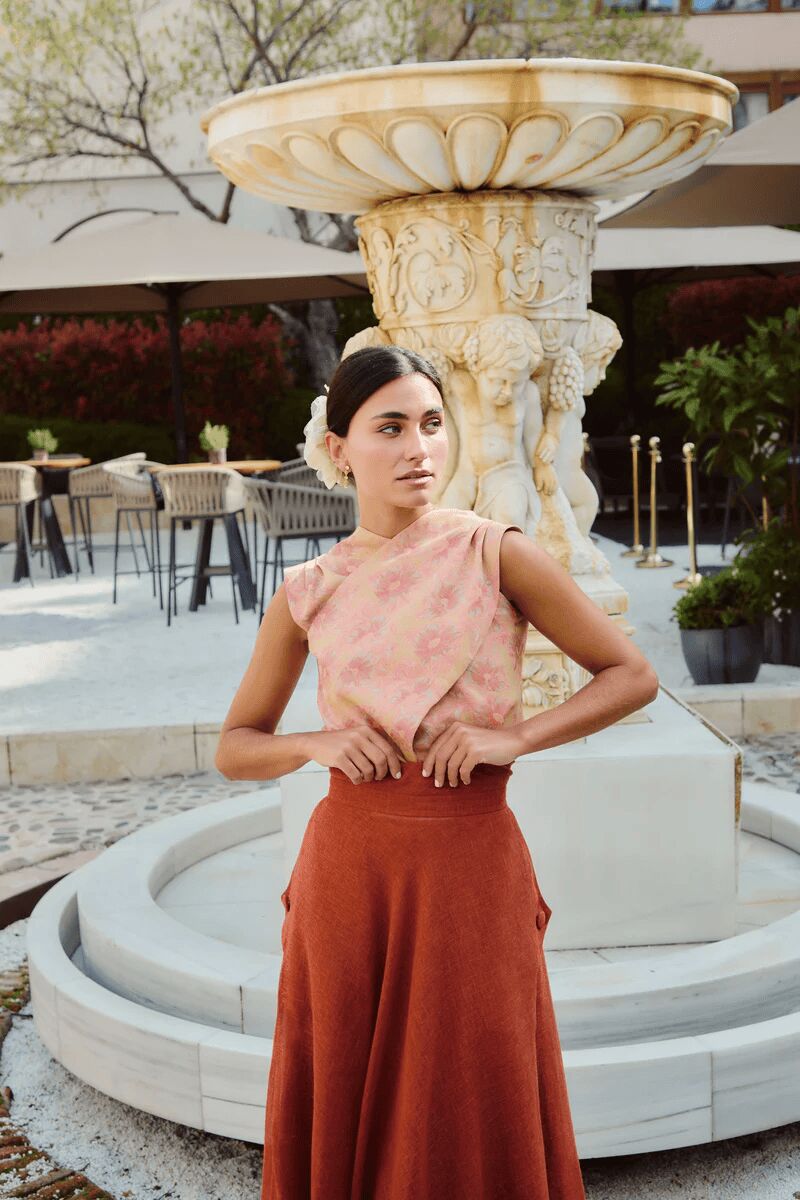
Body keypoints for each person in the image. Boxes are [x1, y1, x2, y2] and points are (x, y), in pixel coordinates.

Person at [215, 345, 659, 1199]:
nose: (419, 448)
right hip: (348, 872)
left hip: (469, 864)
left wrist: (515, 738)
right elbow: (235, 745)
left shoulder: (495, 552)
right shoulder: (309, 588)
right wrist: (314, 745)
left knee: (470, 1086)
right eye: (390, 428)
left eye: (430, 424)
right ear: (340, 449)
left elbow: (631, 674)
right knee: (343, 1077)